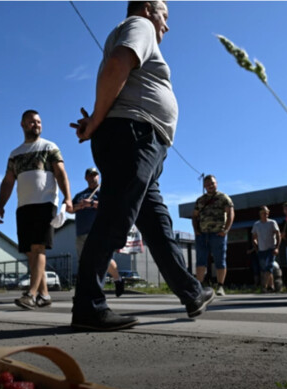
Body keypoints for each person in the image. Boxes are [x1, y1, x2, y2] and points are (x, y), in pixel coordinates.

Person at [70, 1, 214, 331]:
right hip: (134, 135)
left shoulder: (140, 29)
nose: (167, 25)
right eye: (165, 15)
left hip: (141, 140)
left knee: (156, 224)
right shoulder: (141, 25)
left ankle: (191, 291)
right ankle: (88, 306)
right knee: (116, 216)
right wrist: (96, 120)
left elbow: (117, 70)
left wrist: (97, 119)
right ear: (149, 9)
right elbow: (117, 65)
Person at [0, 110, 73, 309]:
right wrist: (0, 205)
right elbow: (8, 181)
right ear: (22, 124)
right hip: (23, 206)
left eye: (39, 122)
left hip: (45, 203)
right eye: (32, 122)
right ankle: (45, 295)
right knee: (30, 253)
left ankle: (30, 294)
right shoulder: (15, 153)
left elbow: (60, 173)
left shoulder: (49, 147)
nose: (36, 125)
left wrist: (68, 198)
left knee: (38, 247)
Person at [72, 167, 125, 297]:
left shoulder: (103, 192)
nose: (93, 177)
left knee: (102, 259)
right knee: (83, 261)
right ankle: (86, 289)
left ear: (98, 177)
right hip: (81, 232)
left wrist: (92, 204)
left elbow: (111, 206)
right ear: (86, 178)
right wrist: (80, 205)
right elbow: (71, 208)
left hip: (98, 231)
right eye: (90, 175)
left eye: (95, 175)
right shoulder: (80, 195)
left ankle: (117, 279)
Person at [192, 174, 234, 296]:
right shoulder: (200, 200)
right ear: (204, 186)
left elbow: (231, 214)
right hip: (202, 234)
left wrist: (226, 230)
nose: (211, 186)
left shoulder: (223, 198)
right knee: (200, 260)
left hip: (218, 233)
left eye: (213, 183)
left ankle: (220, 286)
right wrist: (196, 230)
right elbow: (194, 216)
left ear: (216, 183)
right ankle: (199, 286)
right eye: (208, 184)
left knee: (220, 260)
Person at [251, 206, 280, 292]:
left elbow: (278, 235)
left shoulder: (272, 222)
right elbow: (254, 238)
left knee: (269, 267)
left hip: (271, 248)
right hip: (261, 250)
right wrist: (256, 248)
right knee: (264, 268)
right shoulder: (256, 224)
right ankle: (272, 286)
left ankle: (264, 287)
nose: (265, 214)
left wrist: (277, 247)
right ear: (260, 214)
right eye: (263, 213)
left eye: (267, 212)